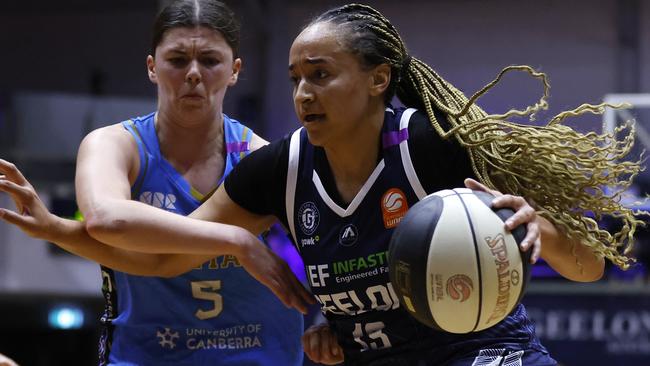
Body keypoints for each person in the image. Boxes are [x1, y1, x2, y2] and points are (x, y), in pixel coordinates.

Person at [1, 3, 643, 365]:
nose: (304, 92)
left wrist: (545, 231)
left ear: (377, 79)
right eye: (295, 78)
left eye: (321, 74)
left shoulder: (435, 149)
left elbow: (588, 268)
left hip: (486, 356)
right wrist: (59, 230)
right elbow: (166, 257)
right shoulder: (278, 167)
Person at [0, 1, 311, 365]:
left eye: (210, 61)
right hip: (146, 354)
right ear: (152, 67)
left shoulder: (261, 156)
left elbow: (165, 259)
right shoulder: (114, 144)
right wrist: (238, 240)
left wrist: (56, 229)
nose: (193, 73)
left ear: (234, 71)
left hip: (258, 354)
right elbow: (104, 219)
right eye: (177, 60)